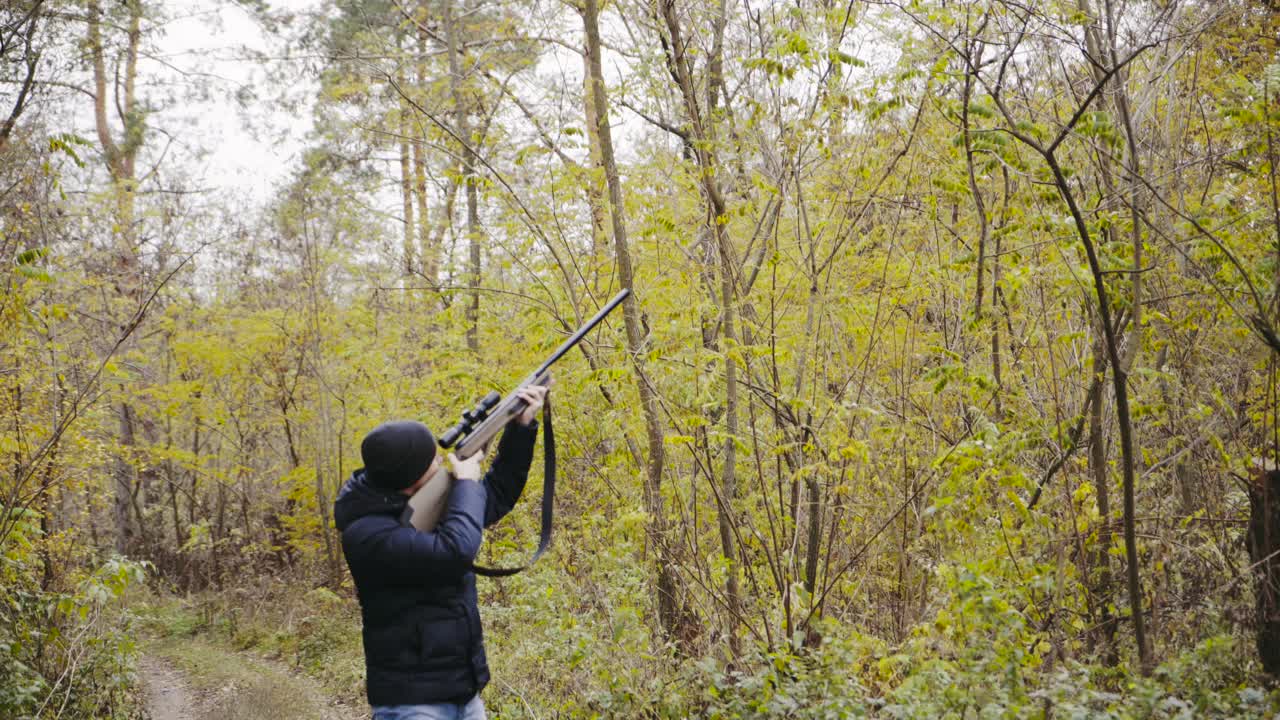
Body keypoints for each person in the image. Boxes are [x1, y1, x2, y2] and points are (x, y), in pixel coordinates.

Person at [334, 385, 549, 720]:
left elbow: (495, 496)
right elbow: (455, 551)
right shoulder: (366, 533)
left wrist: (520, 428)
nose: (439, 461)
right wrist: (465, 482)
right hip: (410, 703)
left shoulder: (420, 504)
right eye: (431, 460)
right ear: (410, 479)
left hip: (463, 691)